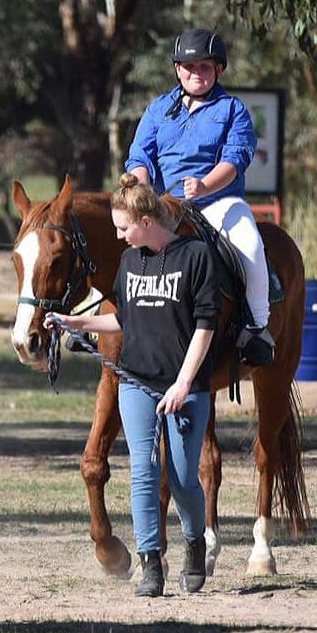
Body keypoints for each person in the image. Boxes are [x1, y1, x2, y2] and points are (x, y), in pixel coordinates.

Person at [45, 173, 218, 597]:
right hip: (137, 382)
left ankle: (194, 541)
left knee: (181, 479)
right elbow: (123, 318)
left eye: (123, 227)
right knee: (143, 468)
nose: (119, 236)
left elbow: (205, 326)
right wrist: (75, 321)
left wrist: (183, 383)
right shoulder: (129, 262)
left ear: (144, 220)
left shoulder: (196, 257)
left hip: (185, 387)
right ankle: (151, 562)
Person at [125, 27, 273, 366]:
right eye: (189, 67)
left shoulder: (233, 109)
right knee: (122, 239)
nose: (197, 74)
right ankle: (106, 318)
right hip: (165, 205)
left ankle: (256, 327)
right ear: (178, 70)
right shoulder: (158, 109)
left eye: (205, 67)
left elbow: (235, 159)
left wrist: (206, 185)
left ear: (218, 70)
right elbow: (139, 157)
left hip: (220, 201)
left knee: (250, 245)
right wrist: (143, 188)